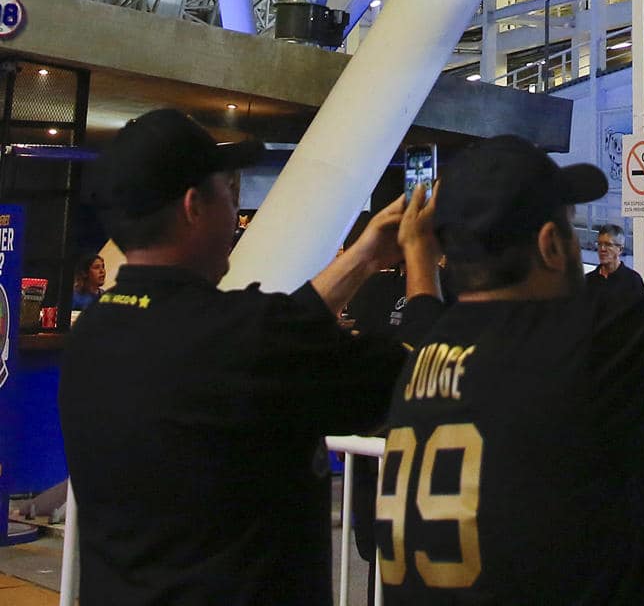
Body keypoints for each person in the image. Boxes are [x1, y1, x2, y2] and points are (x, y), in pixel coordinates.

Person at [378, 140, 644, 604]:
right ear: (550, 245)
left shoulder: (429, 343)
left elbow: (422, 300)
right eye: (571, 229)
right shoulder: (588, 340)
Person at [61, 108, 440, 605]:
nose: (235, 214)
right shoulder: (244, 341)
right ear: (195, 206)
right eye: (229, 194)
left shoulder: (94, 332)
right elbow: (418, 373)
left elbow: (275, 329)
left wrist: (365, 257)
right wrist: (421, 259)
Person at [585, 221, 644, 302]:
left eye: (608, 244)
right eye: (599, 244)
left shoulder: (633, 281)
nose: (602, 249)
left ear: (620, 249)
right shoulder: (588, 280)